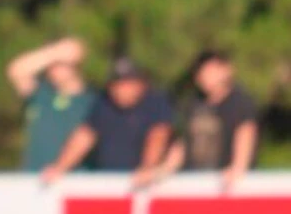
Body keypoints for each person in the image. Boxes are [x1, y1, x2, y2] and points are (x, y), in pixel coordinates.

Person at [41, 57, 174, 186]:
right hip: (107, 182)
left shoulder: (156, 102)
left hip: (145, 183)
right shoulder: (103, 102)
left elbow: (158, 136)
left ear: (140, 84)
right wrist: (60, 167)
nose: (121, 90)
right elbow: (85, 135)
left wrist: (147, 167)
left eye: (127, 84)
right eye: (117, 84)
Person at [161, 50, 259, 190]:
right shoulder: (192, 104)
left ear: (227, 70)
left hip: (225, 181)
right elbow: (183, 143)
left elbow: (245, 134)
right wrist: (164, 169)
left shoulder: (240, 103)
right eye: (201, 72)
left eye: (210, 71)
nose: (205, 77)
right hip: (194, 181)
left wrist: (238, 167)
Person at [6, 37, 96, 171]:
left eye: (60, 64)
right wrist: (55, 52)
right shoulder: (41, 94)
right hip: (34, 180)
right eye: (50, 65)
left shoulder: (93, 100)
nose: (53, 69)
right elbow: (16, 71)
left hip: (77, 181)